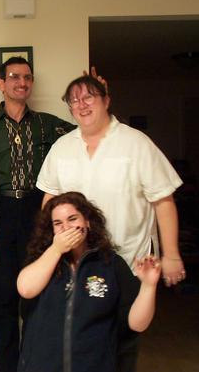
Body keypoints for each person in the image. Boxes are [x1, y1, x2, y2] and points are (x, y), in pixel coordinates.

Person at [36, 74, 184, 371]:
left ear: (106, 100)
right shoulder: (62, 147)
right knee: (81, 341)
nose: (81, 104)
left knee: (122, 341)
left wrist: (172, 255)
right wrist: (49, 250)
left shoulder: (136, 143)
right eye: (74, 100)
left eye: (88, 97)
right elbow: (49, 202)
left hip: (128, 259)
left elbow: (163, 200)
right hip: (77, 263)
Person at [0, 56, 75, 372]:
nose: (22, 82)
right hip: (0, 213)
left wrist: (99, 98)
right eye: (14, 76)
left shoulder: (49, 124)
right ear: (1, 83)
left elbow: (89, 131)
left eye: (27, 77)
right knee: (2, 302)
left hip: (37, 211)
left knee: (37, 297)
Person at [17, 192, 160, 372]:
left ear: (87, 222)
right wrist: (56, 249)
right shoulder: (42, 260)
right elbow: (25, 289)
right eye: (58, 223)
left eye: (72, 219)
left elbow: (137, 324)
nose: (66, 227)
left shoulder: (112, 264)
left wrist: (148, 286)